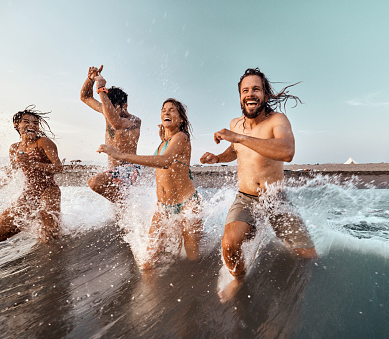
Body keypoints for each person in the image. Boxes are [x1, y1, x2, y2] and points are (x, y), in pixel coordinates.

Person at [200, 68, 318, 302]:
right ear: (240, 96)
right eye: (245, 90)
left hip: (275, 198)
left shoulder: (278, 120)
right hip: (245, 198)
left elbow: (287, 151)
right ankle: (240, 279)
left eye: (256, 89)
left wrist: (240, 138)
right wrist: (217, 158)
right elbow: (234, 150)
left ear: (265, 94)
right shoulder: (235, 124)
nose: (250, 94)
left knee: (308, 255)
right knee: (229, 245)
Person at [98, 98, 202, 269]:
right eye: (163, 110)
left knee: (191, 259)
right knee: (147, 262)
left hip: (187, 205)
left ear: (181, 118)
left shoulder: (182, 137)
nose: (166, 112)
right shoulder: (163, 142)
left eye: (172, 110)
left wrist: (121, 156)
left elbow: (165, 161)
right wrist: (164, 138)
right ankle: (149, 293)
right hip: (163, 207)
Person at [0, 105, 63, 243]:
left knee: (50, 236)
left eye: (35, 123)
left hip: (49, 190)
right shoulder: (14, 148)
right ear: (17, 125)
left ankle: (51, 231)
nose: (32, 125)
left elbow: (58, 167)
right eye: (27, 121)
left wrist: (31, 164)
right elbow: (9, 176)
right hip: (28, 194)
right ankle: (31, 221)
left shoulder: (43, 142)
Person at [80, 65, 142, 203]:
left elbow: (117, 123)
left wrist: (101, 88)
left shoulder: (134, 121)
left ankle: (124, 203)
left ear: (124, 106)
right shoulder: (106, 111)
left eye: (113, 107)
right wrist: (90, 79)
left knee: (95, 182)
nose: (109, 111)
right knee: (121, 214)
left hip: (131, 168)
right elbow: (85, 97)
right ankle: (126, 209)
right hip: (114, 169)